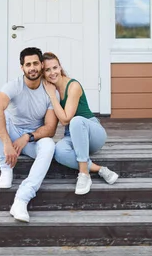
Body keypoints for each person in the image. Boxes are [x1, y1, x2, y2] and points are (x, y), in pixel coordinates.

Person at [0, 47, 57, 223]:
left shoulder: (50, 91)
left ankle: (21, 199)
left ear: (42, 65)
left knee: (49, 145)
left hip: (32, 139)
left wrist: (27, 136)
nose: (32, 68)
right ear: (22, 68)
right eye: (28, 64)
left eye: (35, 63)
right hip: (12, 134)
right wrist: (7, 143)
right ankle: (5, 167)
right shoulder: (13, 86)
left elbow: (50, 128)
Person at [42, 51, 118, 195]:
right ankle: (100, 169)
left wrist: (52, 95)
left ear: (60, 67)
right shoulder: (49, 89)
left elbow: (65, 119)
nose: (52, 72)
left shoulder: (73, 86)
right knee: (58, 151)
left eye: (55, 67)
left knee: (75, 121)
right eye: (47, 70)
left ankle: (84, 174)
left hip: (92, 132)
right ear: (43, 73)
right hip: (71, 135)